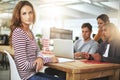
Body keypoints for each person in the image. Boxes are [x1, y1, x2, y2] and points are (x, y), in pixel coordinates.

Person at [9, 1, 65, 80]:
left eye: (30, 12)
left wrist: (40, 58)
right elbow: (23, 65)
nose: (28, 16)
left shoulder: (29, 31)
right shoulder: (19, 33)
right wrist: (49, 59)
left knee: (63, 77)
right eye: (24, 13)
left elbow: (38, 51)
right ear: (19, 16)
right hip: (27, 77)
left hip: (34, 73)